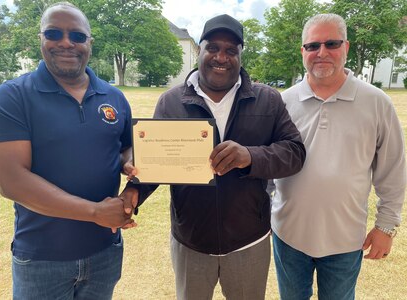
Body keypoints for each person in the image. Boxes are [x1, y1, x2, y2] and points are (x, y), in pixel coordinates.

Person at [124, 14, 306, 300]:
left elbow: (294, 153)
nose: (221, 57)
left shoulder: (268, 99)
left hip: (249, 241)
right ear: (200, 50)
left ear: (240, 56)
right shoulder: (171, 101)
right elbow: (155, 163)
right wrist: (134, 191)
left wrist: (250, 156)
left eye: (231, 50)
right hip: (191, 241)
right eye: (213, 48)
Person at [0, 2, 137, 299]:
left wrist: (129, 163)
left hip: (105, 252)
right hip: (42, 258)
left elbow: (123, 149)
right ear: (40, 39)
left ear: (89, 43)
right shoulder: (12, 97)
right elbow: (12, 181)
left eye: (77, 36)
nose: (66, 42)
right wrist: (95, 212)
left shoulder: (114, 97)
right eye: (54, 33)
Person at [271, 13, 406, 300]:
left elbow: (393, 170)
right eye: (312, 46)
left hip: (345, 239)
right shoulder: (284, 102)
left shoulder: (376, 102)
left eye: (331, 44)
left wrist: (386, 227)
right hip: (288, 235)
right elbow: (269, 162)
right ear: (303, 51)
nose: (321, 53)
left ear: (346, 47)